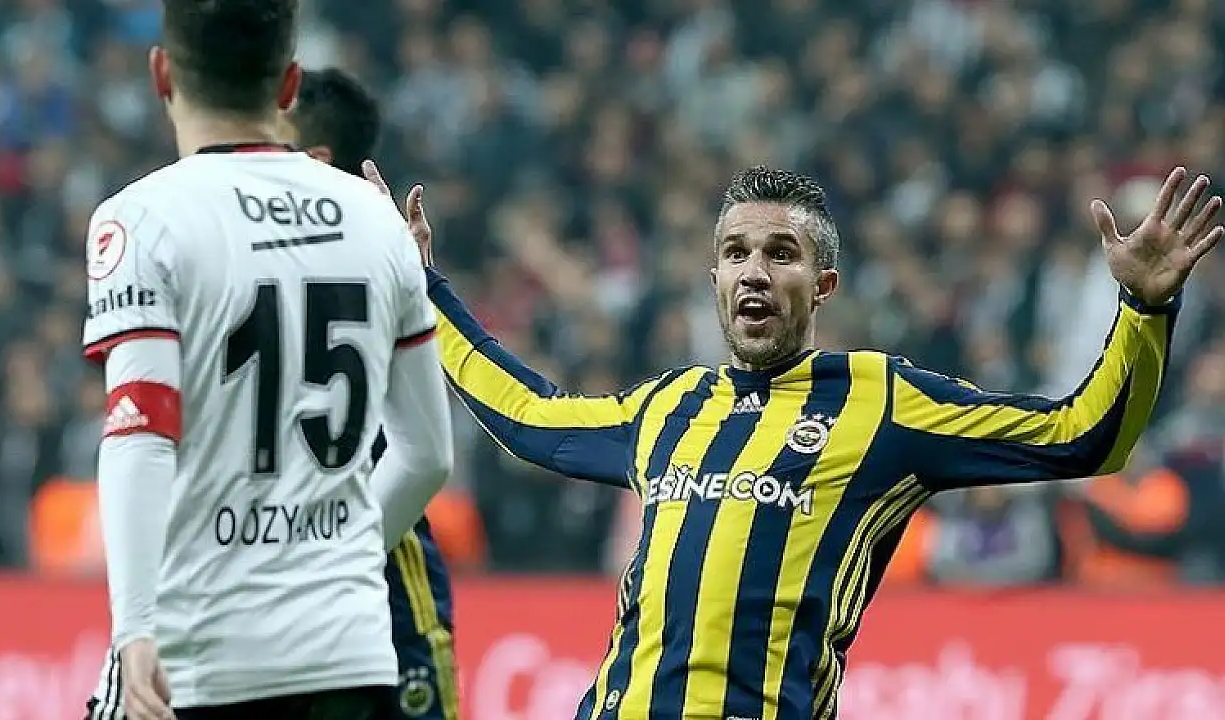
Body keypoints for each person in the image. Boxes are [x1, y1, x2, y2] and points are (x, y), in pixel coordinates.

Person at [362, 162, 1221, 720]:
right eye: (736, 253)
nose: (755, 271)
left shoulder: (885, 402)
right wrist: (420, 286)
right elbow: (528, 417)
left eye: (781, 253)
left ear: (823, 284)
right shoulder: (671, 405)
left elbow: (1085, 436)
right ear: (714, 279)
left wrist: (1144, 309)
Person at [81, 2, 453, 719]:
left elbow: (141, 434)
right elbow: (429, 456)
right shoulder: (377, 219)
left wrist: (135, 627)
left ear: (162, 74)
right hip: (347, 649)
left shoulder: (140, 218)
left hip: (204, 649)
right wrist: (337, 561)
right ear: (288, 84)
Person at [285, 66, 460, 720]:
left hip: (384, 590)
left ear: (311, 160)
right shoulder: (239, 262)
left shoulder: (376, 268)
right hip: (273, 589)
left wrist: (417, 286)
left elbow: (427, 449)